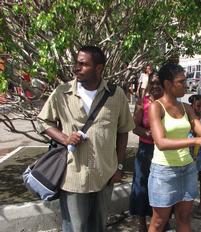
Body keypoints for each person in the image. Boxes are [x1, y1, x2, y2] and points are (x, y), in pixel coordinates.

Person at [37, 46, 135, 232]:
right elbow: (43, 120)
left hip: (104, 175)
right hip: (73, 175)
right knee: (75, 227)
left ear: (99, 68)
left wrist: (119, 167)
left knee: (98, 226)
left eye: (83, 64)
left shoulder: (116, 95)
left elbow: (123, 131)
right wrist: (65, 138)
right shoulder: (62, 93)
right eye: (76, 63)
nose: (76, 68)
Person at [147, 63, 201, 232]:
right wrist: (194, 141)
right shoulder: (156, 107)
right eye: (181, 81)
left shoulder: (187, 108)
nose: (186, 84)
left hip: (187, 169)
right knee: (159, 222)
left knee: (183, 219)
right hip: (164, 172)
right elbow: (161, 143)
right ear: (168, 84)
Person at [129, 72, 163, 232]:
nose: (155, 86)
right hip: (146, 150)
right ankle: (142, 223)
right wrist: (147, 133)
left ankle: (160, 221)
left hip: (164, 151)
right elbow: (134, 127)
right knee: (141, 186)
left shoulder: (169, 103)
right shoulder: (142, 103)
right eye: (153, 83)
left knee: (162, 186)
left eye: (159, 83)